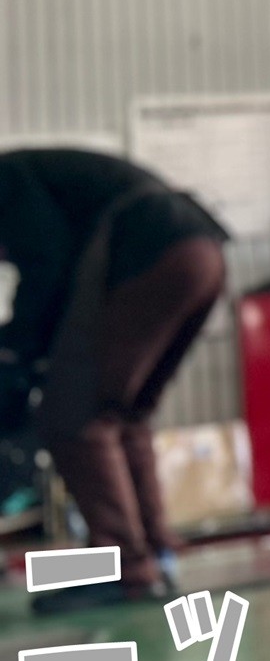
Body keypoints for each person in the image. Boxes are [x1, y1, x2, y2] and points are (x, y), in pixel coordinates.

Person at [0, 148, 228, 611]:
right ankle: (156, 551)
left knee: (73, 418)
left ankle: (126, 569)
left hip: (151, 253)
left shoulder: (5, 180)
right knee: (124, 414)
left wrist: (15, 348)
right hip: (203, 256)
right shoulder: (40, 179)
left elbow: (46, 263)